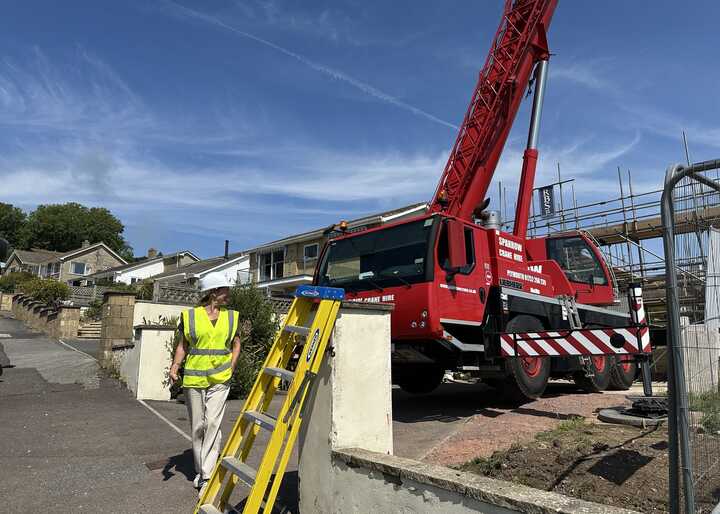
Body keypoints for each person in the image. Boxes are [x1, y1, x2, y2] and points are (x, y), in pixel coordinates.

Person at [169, 270, 243, 497]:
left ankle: (207, 475)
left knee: (212, 422)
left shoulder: (231, 317)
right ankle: (202, 470)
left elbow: (236, 345)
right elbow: (183, 345)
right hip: (194, 378)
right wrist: (174, 366)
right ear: (213, 292)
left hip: (220, 379)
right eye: (225, 290)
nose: (228, 294)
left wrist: (230, 367)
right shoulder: (190, 317)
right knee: (198, 426)